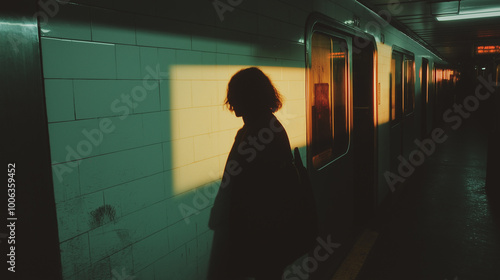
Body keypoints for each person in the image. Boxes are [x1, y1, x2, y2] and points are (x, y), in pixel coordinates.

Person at [207, 67, 303, 280]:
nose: (231, 103)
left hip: (258, 236)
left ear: (249, 97)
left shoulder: (258, 133)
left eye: (235, 96)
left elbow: (247, 188)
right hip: (261, 235)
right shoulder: (263, 128)